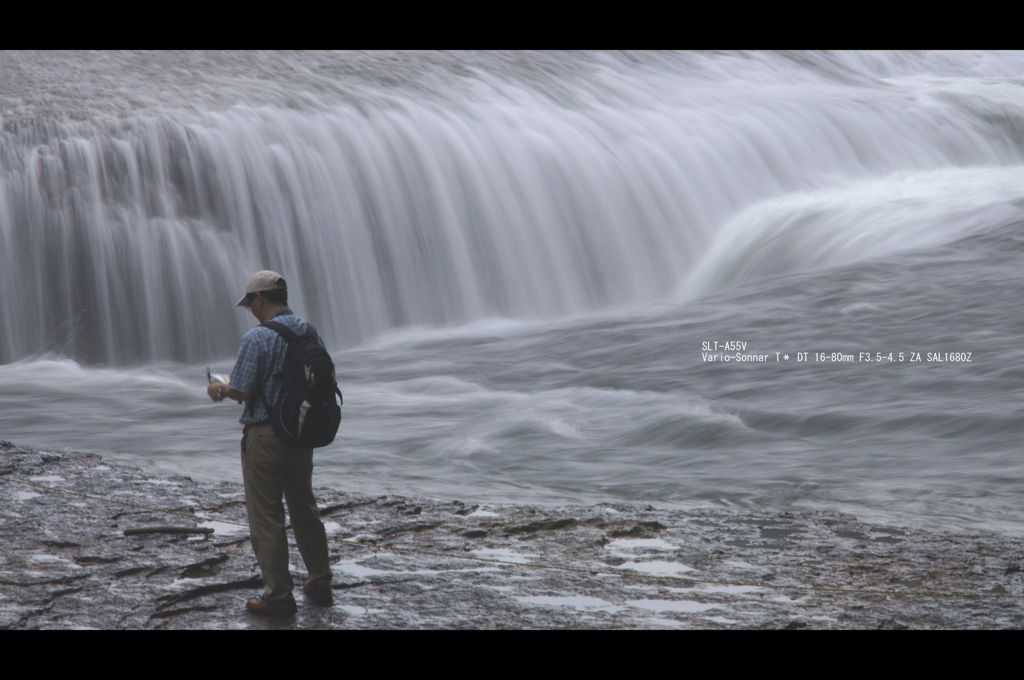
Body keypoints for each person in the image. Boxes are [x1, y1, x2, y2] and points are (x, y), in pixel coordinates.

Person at [207, 270, 333, 616]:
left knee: (266, 517)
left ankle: (278, 597)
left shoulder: (256, 339)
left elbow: (243, 390)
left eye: (251, 303)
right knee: (305, 508)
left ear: (259, 299)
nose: (251, 310)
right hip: (301, 432)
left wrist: (219, 389)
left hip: (264, 436)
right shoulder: (309, 331)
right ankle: (320, 582)